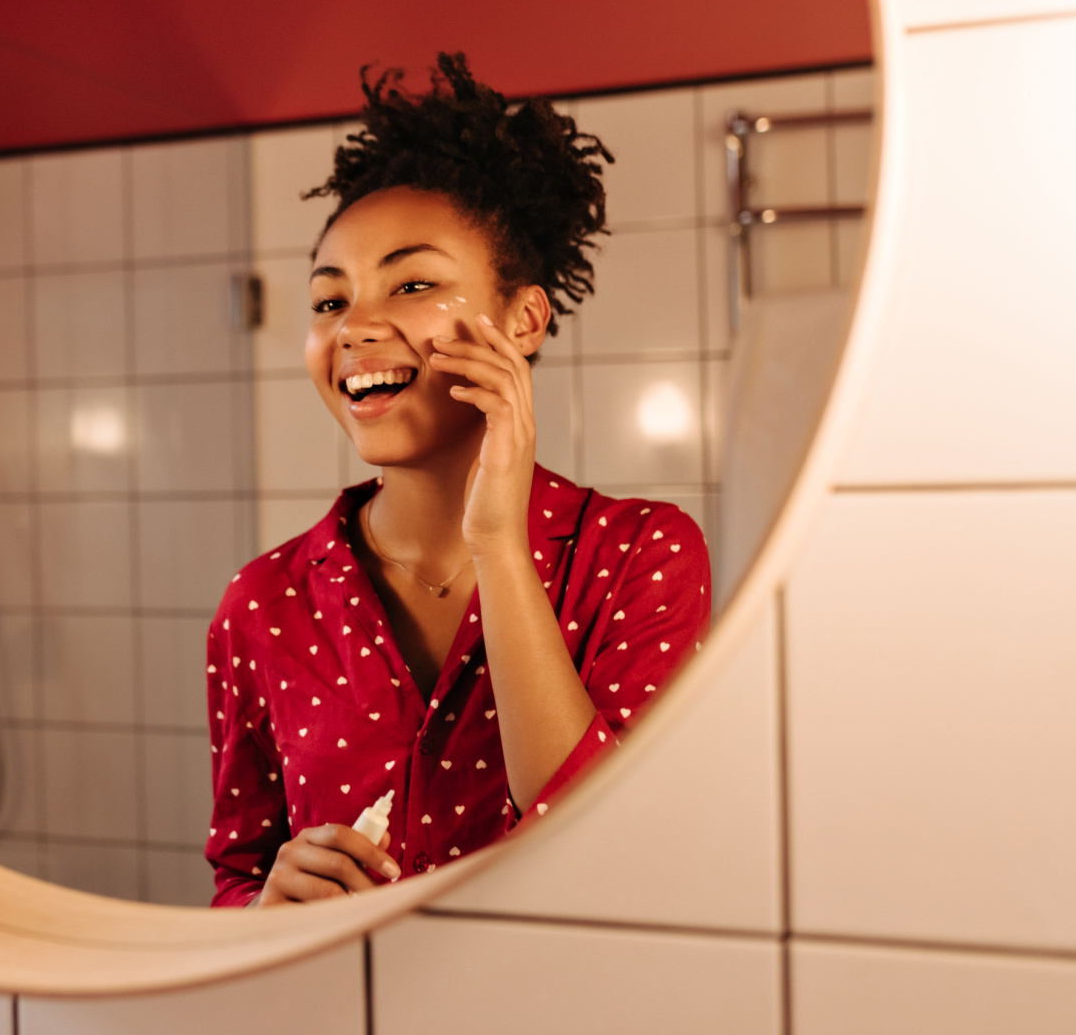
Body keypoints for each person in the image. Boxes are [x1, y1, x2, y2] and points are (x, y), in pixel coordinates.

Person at [205, 53, 710, 907]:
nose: (357, 326)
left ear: (523, 318)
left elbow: (614, 856)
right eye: (331, 302)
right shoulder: (261, 606)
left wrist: (497, 544)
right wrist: (263, 912)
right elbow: (236, 879)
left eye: (412, 283)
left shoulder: (640, 557)